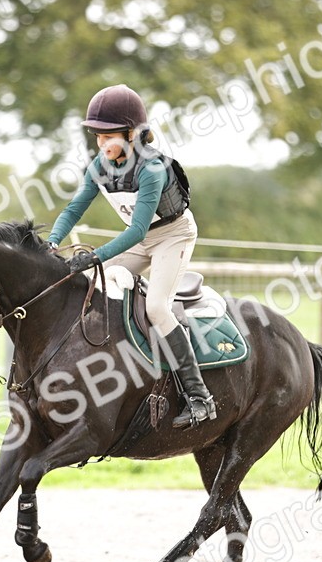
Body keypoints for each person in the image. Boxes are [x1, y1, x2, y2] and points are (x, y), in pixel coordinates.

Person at [47, 84, 216, 428]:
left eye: (108, 136)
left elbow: (137, 230)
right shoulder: (99, 165)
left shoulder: (151, 169)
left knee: (156, 307)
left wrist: (96, 256)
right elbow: (74, 208)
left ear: (132, 134)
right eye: (98, 136)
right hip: (138, 240)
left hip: (172, 236)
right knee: (88, 287)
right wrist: (51, 242)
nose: (102, 144)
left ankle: (200, 398)